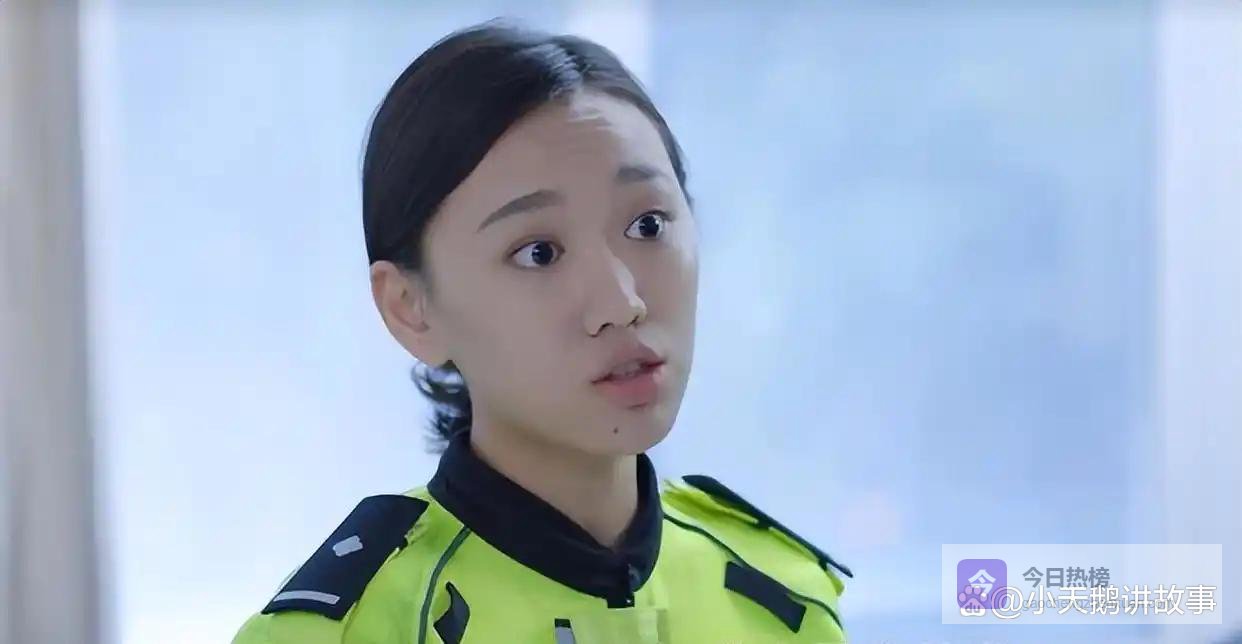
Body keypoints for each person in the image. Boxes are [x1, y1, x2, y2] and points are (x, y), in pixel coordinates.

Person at [232, 20, 851, 644]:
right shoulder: (355, 632)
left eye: (648, 225)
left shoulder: (784, 601)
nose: (622, 303)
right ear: (410, 308)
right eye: (539, 253)